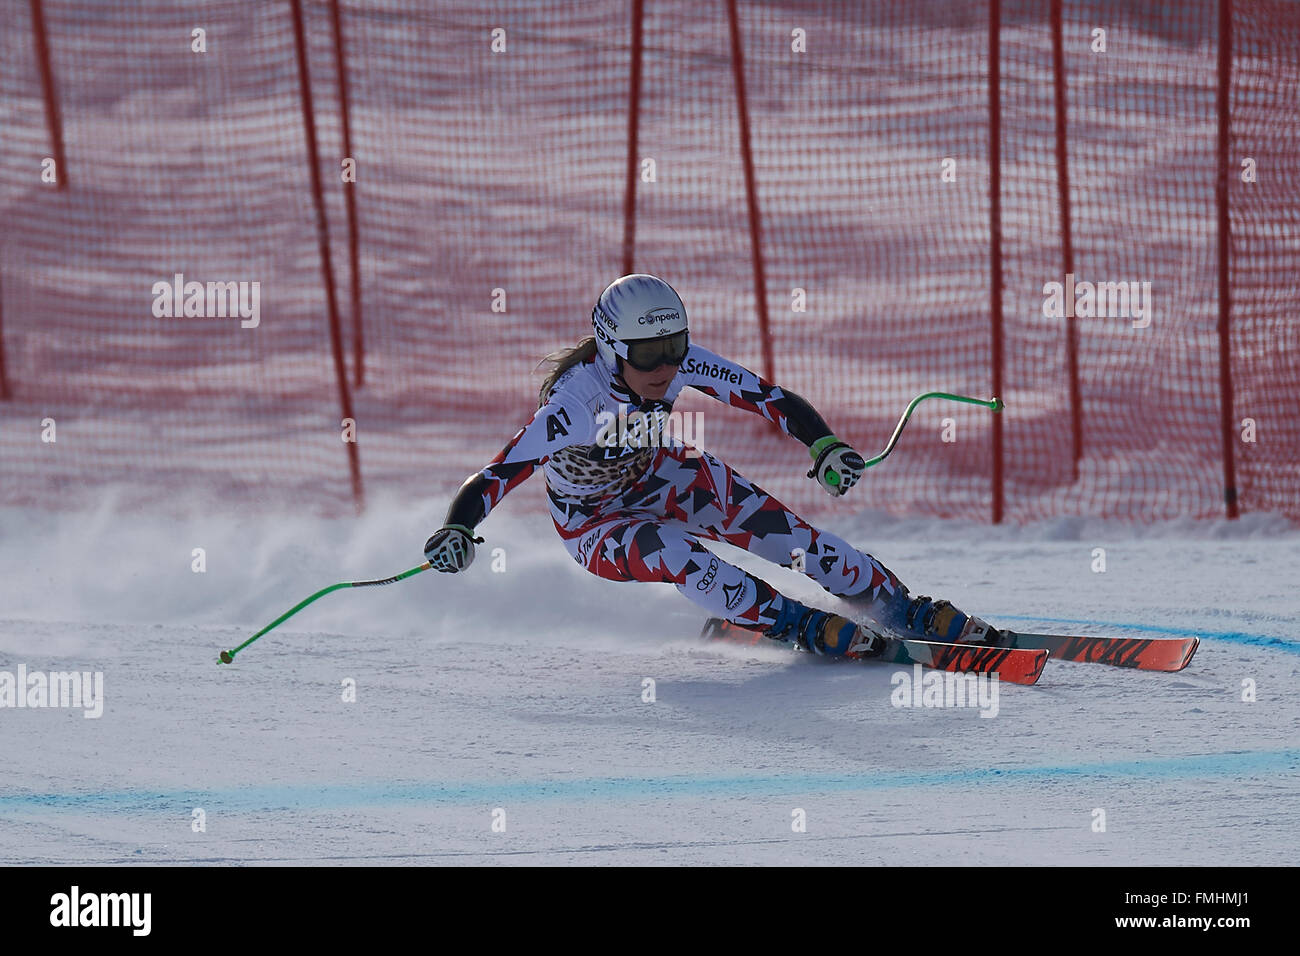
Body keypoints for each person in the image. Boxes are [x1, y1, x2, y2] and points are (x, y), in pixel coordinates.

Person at [423, 274, 998, 656]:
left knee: (794, 539)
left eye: (675, 347)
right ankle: (794, 624)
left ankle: (898, 606)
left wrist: (823, 446)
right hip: (595, 525)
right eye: (648, 355)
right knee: (680, 554)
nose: (667, 366)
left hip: (663, 475)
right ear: (610, 350)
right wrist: (457, 527)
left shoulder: (679, 361)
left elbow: (767, 397)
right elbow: (498, 474)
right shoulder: (575, 403)